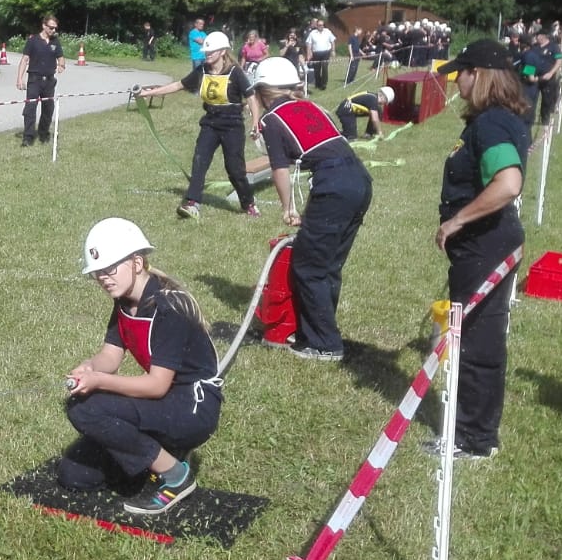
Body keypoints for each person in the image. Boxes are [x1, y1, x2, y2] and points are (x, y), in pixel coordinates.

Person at [59, 217, 223, 515]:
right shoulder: (124, 300)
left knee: (85, 409)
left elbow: (156, 385)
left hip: (191, 407)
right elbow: (110, 356)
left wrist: (99, 381)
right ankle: (156, 455)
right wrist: (88, 367)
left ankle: (177, 476)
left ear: (136, 262)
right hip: (163, 401)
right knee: (75, 475)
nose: (103, 278)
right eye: (97, 272)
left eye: (109, 269)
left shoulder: (169, 307)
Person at [432, 40, 530, 460]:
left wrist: (457, 221)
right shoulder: (496, 120)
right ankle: (471, 429)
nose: (457, 81)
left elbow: (508, 183)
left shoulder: (492, 124)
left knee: (476, 341)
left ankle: (473, 438)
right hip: (486, 243)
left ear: (480, 75)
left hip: (485, 244)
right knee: (475, 335)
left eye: (462, 73)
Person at [251, 58, 374, 361]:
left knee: (309, 267)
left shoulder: (271, 119)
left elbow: (279, 168)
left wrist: (287, 208)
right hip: (359, 179)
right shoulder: (311, 107)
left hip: (334, 185)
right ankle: (318, 331)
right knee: (328, 264)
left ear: (263, 91)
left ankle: (325, 344)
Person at [134, 31, 262, 219]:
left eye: (211, 51)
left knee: (235, 169)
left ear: (222, 51)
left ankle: (248, 203)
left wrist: (256, 122)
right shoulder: (202, 70)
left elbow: (251, 98)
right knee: (199, 161)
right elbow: (178, 85)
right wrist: (147, 93)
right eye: (206, 51)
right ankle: (192, 202)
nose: (207, 54)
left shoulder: (235, 72)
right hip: (210, 123)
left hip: (232, 125)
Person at [17, 14, 66, 146]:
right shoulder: (33, 40)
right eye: (51, 27)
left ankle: (43, 134)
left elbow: (61, 58)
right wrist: (19, 79)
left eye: (55, 28)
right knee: (30, 109)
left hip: (49, 81)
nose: (53, 30)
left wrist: (61, 65)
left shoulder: (55, 42)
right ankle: (28, 137)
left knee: (48, 109)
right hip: (35, 80)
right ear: (44, 26)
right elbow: (24, 60)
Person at [518, 26, 562, 128]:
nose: (536, 37)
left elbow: (559, 61)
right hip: (534, 79)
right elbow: (529, 64)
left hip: (548, 78)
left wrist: (551, 73)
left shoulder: (554, 47)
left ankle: (545, 120)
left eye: (537, 35)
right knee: (531, 99)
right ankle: (530, 119)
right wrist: (531, 77)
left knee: (547, 100)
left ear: (543, 36)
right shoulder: (534, 47)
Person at [305, 19, 336, 90]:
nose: (321, 26)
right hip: (316, 53)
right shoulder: (312, 33)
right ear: (317, 25)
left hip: (326, 52)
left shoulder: (328, 31)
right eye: (319, 25)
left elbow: (332, 41)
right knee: (317, 69)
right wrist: (309, 53)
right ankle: (318, 84)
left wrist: (333, 50)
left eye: (322, 25)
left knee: (325, 68)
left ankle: (324, 84)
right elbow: (309, 43)